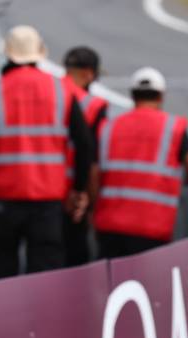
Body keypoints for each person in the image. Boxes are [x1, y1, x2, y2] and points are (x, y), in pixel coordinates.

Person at [0, 25, 93, 280]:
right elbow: (84, 143)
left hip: (4, 199)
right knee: (45, 274)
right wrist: (78, 189)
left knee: (2, 272)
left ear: (8, 53)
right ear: (39, 53)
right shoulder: (61, 90)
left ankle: (3, 319)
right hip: (48, 201)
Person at [93, 67, 188, 258]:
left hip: (110, 224)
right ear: (161, 96)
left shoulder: (109, 127)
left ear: (133, 96)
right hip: (153, 226)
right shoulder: (173, 127)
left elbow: (94, 173)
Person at [61, 46, 109, 266]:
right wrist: (87, 199)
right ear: (89, 74)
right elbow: (93, 160)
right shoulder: (94, 105)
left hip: (44, 192)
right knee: (75, 260)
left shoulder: (52, 93)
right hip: (75, 194)